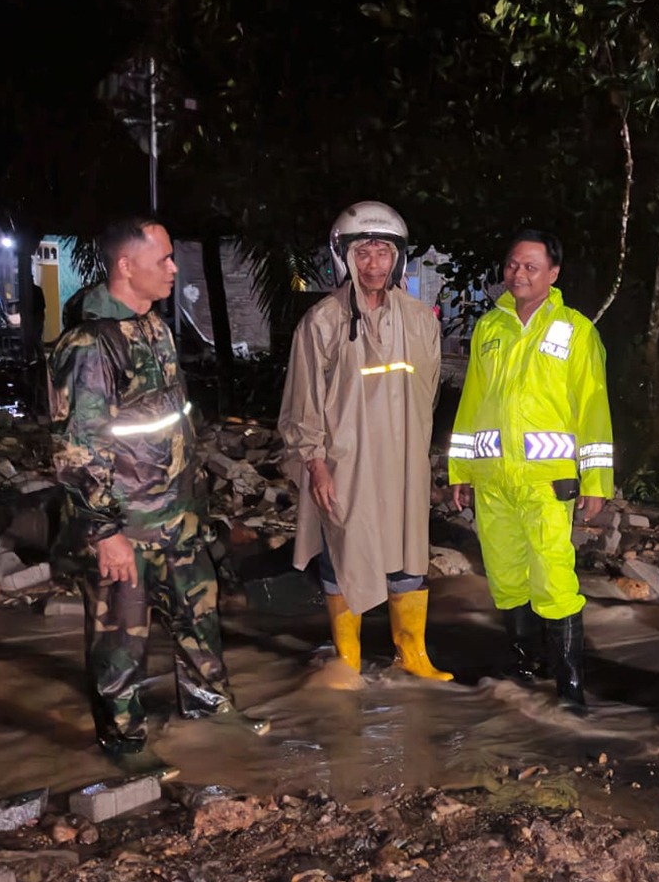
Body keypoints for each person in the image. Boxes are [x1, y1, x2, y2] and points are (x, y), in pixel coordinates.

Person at [50, 216, 267, 775]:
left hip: (178, 517)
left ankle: (211, 711)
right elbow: (78, 449)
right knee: (120, 642)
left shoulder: (155, 328)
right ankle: (123, 744)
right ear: (126, 265)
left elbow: (169, 424)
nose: (173, 268)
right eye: (163, 259)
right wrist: (105, 533)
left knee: (200, 618)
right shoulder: (90, 345)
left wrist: (195, 505)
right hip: (126, 526)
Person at [278, 201, 445, 688]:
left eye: (383, 253)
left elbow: (429, 393)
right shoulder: (322, 322)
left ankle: (412, 654)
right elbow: (303, 401)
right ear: (345, 257)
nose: (374, 264)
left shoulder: (421, 320)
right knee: (344, 551)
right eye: (364, 253)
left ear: (398, 258)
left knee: (408, 553)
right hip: (345, 464)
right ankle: (347, 660)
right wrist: (315, 463)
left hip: (405, 462)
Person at [448, 229, 613, 714]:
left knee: (554, 580)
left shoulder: (575, 330)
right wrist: (460, 470)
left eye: (531, 267)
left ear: (553, 274)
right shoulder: (489, 329)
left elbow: (593, 407)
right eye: (513, 265)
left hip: (548, 482)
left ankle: (570, 689)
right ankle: (524, 666)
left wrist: (597, 481)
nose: (518, 274)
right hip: (493, 480)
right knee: (504, 577)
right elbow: (472, 402)